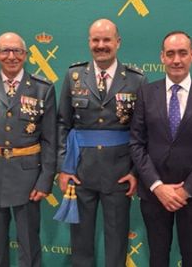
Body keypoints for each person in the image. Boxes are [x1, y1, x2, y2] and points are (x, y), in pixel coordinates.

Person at [57, 18, 146, 266]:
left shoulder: (137, 79)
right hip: (81, 169)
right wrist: (64, 168)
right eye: (95, 39)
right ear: (89, 42)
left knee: (117, 238)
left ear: (118, 42)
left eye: (107, 39)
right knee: (81, 239)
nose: (101, 45)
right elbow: (63, 124)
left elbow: (142, 132)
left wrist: (135, 171)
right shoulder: (73, 75)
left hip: (119, 172)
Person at [130, 31, 192, 267]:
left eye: (183, 53)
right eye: (170, 54)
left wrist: (186, 191)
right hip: (154, 195)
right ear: (162, 57)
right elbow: (137, 144)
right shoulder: (145, 94)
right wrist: (157, 187)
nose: (177, 60)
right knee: (157, 258)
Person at [0, 32, 56, 267]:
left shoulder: (42, 89)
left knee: (28, 239)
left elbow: (49, 140)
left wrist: (45, 181)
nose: (11, 56)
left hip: (27, 174)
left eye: (17, 51)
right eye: (5, 51)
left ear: (26, 55)